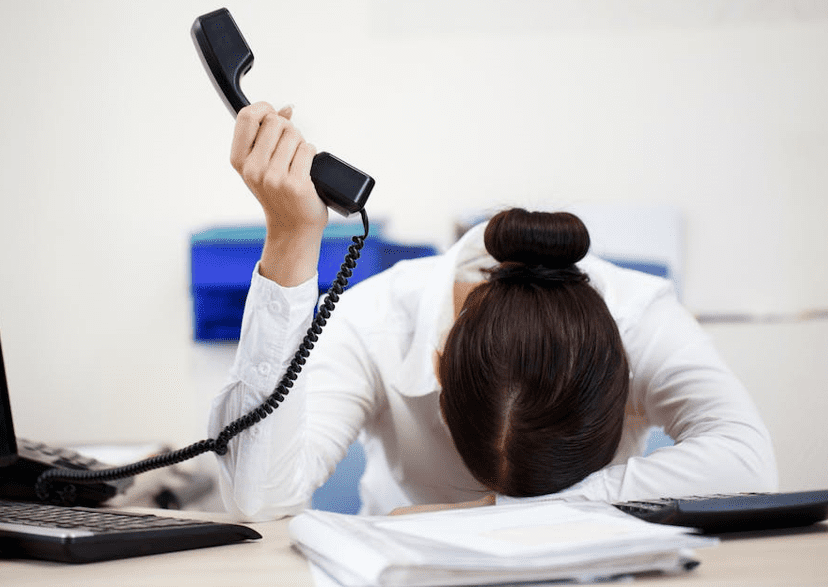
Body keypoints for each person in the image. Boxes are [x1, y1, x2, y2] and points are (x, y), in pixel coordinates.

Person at [208, 102, 778, 520]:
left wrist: (490, 511)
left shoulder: (640, 318)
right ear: (438, 367)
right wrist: (289, 239)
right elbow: (258, 500)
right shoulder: (374, 317)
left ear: (625, 380)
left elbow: (749, 466)